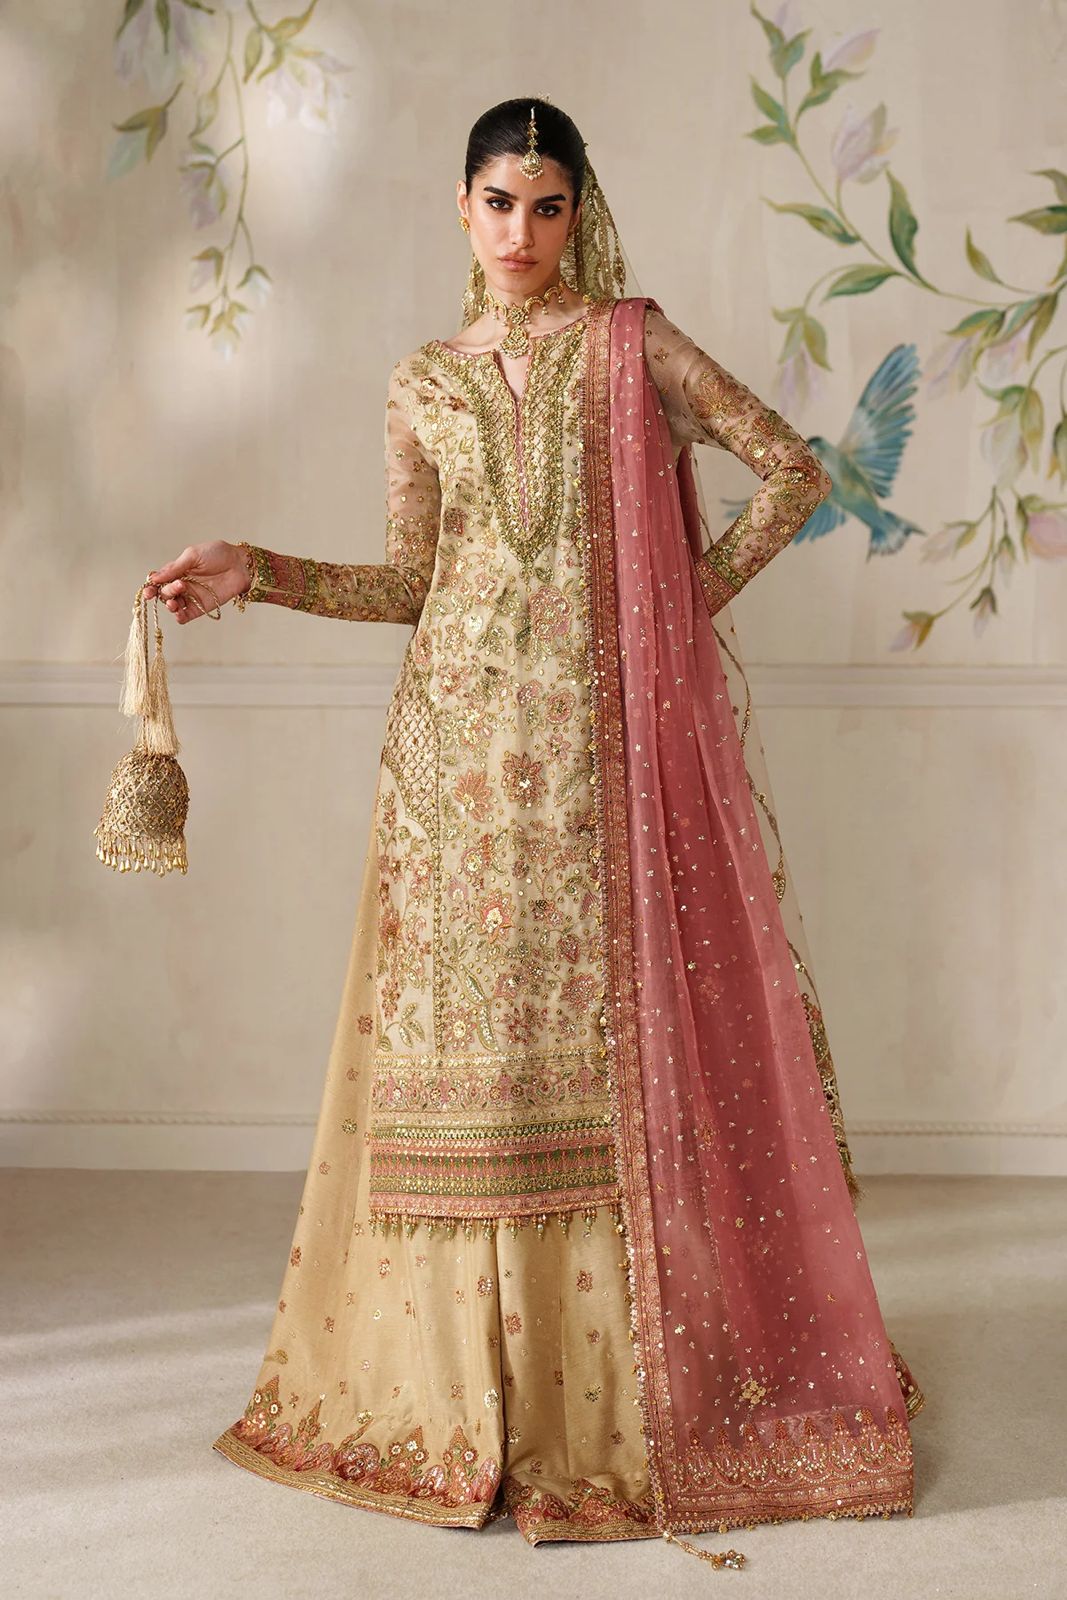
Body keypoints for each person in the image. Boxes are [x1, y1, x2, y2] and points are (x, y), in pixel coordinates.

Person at [145, 97, 923, 1564]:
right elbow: (408, 585)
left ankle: (601, 1416)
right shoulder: (423, 383)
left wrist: (664, 625)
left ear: (579, 212)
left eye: (548, 205)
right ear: (460, 209)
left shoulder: (631, 347)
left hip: (589, 766)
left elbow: (795, 469)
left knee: (592, 1066)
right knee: (470, 1084)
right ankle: (464, 1405)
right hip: (448, 777)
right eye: (498, 203)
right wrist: (254, 568)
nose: (522, 233)